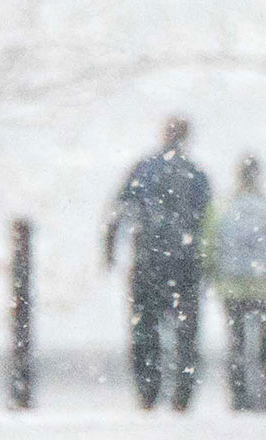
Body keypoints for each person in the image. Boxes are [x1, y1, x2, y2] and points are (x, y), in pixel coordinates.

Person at [104, 117, 211, 412]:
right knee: (186, 332)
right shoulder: (196, 174)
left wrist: (110, 248)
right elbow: (207, 221)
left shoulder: (145, 168)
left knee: (145, 329)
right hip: (185, 264)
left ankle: (148, 390)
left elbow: (120, 210)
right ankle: (182, 393)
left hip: (148, 261)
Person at [204, 155, 266, 412]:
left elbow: (208, 247)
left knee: (237, 342)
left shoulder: (222, 208)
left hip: (231, 287)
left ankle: (239, 397)